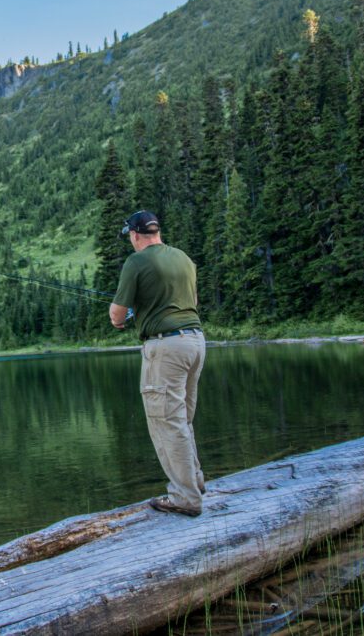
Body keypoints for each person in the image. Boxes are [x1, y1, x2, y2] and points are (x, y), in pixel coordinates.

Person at [109, 210, 206, 517]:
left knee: (166, 422)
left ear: (135, 234)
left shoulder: (137, 261)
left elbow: (116, 315)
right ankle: (196, 482)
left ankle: (185, 497)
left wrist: (124, 318)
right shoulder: (183, 258)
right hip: (196, 341)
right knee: (182, 419)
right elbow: (190, 301)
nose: (130, 240)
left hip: (166, 347)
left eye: (129, 235)